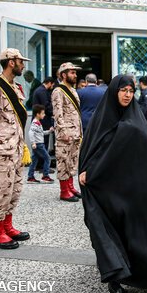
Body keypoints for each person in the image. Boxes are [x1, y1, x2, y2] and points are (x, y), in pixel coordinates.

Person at [78, 75, 147, 293]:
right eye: (123, 90)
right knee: (110, 231)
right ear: (114, 91)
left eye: (131, 90)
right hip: (108, 189)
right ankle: (115, 277)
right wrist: (88, 172)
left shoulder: (136, 121)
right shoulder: (102, 118)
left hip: (134, 189)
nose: (127, 95)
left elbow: (137, 153)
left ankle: (146, 272)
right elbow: (93, 150)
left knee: (135, 234)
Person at [0, 48, 32, 249]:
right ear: (11, 62)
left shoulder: (15, 87)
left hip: (16, 147)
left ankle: (7, 226)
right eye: (21, 61)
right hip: (1, 150)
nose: (23, 65)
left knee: (14, 189)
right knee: (1, 190)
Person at [52, 62, 83, 202]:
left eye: (75, 73)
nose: (75, 75)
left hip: (75, 132)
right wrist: (62, 132)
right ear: (64, 75)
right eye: (72, 73)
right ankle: (64, 191)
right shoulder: (58, 91)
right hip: (65, 134)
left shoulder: (73, 90)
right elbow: (58, 114)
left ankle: (70, 186)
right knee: (63, 161)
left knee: (72, 160)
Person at [27, 104, 54, 183]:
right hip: (38, 144)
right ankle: (45, 175)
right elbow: (31, 133)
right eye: (42, 113)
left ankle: (30, 176)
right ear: (37, 114)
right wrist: (33, 143)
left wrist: (49, 132)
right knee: (47, 158)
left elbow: (41, 133)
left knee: (34, 161)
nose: (44, 115)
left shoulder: (37, 123)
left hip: (38, 144)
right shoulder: (35, 123)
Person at [32, 77, 55, 147]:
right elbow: (46, 105)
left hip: (40, 119)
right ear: (49, 83)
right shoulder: (42, 91)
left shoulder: (40, 90)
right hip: (42, 121)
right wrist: (52, 113)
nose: (52, 87)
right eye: (52, 85)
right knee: (43, 142)